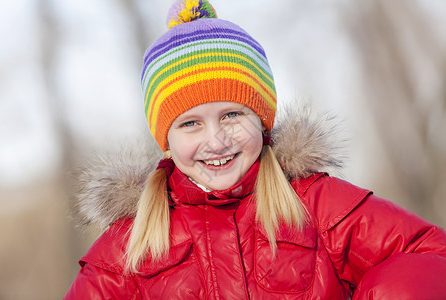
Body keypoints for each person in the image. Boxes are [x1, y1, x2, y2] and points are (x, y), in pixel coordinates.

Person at [65, 0, 446, 299]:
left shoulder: (316, 205)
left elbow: (432, 256)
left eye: (231, 114)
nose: (216, 141)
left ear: (263, 119)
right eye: (190, 123)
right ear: (166, 140)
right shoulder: (128, 247)